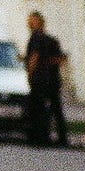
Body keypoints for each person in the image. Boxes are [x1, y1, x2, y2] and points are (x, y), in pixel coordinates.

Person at [25, 9, 67, 148]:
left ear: (39, 22)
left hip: (40, 80)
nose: (29, 23)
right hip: (52, 80)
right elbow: (60, 59)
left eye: (32, 20)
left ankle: (40, 137)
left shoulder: (36, 38)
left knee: (38, 110)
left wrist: (30, 73)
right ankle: (62, 138)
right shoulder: (52, 40)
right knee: (55, 109)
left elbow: (34, 58)